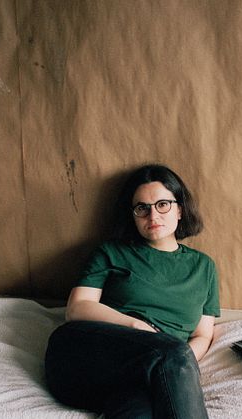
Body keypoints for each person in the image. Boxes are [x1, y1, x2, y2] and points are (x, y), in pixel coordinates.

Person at [44, 164, 220, 419]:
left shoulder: (204, 267)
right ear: (133, 215)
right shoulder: (111, 252)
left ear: (180, 209)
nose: (153, 216)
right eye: (142, 208)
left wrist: (173, 367)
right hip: (87, 357)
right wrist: (140, 329)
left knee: (137, 406)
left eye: (163, 204)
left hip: (143, 375)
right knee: (172, 353)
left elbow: (203, 335)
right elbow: (77, 307)